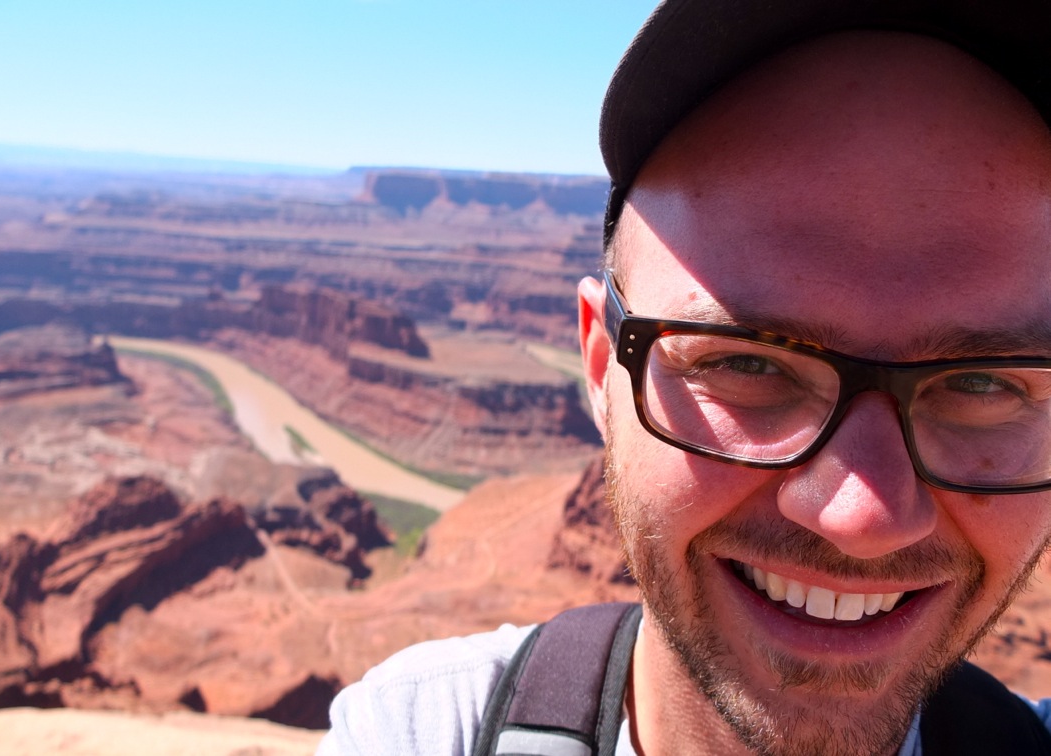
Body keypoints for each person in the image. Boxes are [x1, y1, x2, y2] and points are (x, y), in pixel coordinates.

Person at [318, 1, 1051, 753]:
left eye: (983, 385)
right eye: (748, 364)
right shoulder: (416, 733)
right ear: (601, 366)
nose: (862, 521)